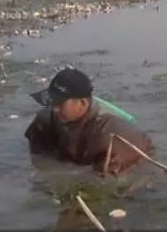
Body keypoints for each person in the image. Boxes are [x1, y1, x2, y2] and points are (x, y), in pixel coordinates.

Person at [24, 68, 155, 175]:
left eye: (60, 103)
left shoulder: (110, 133)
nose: (54, 108)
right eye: (52, 102)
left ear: (82, 103)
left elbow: (103, 183)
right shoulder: (47, 119)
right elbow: (38, 158)